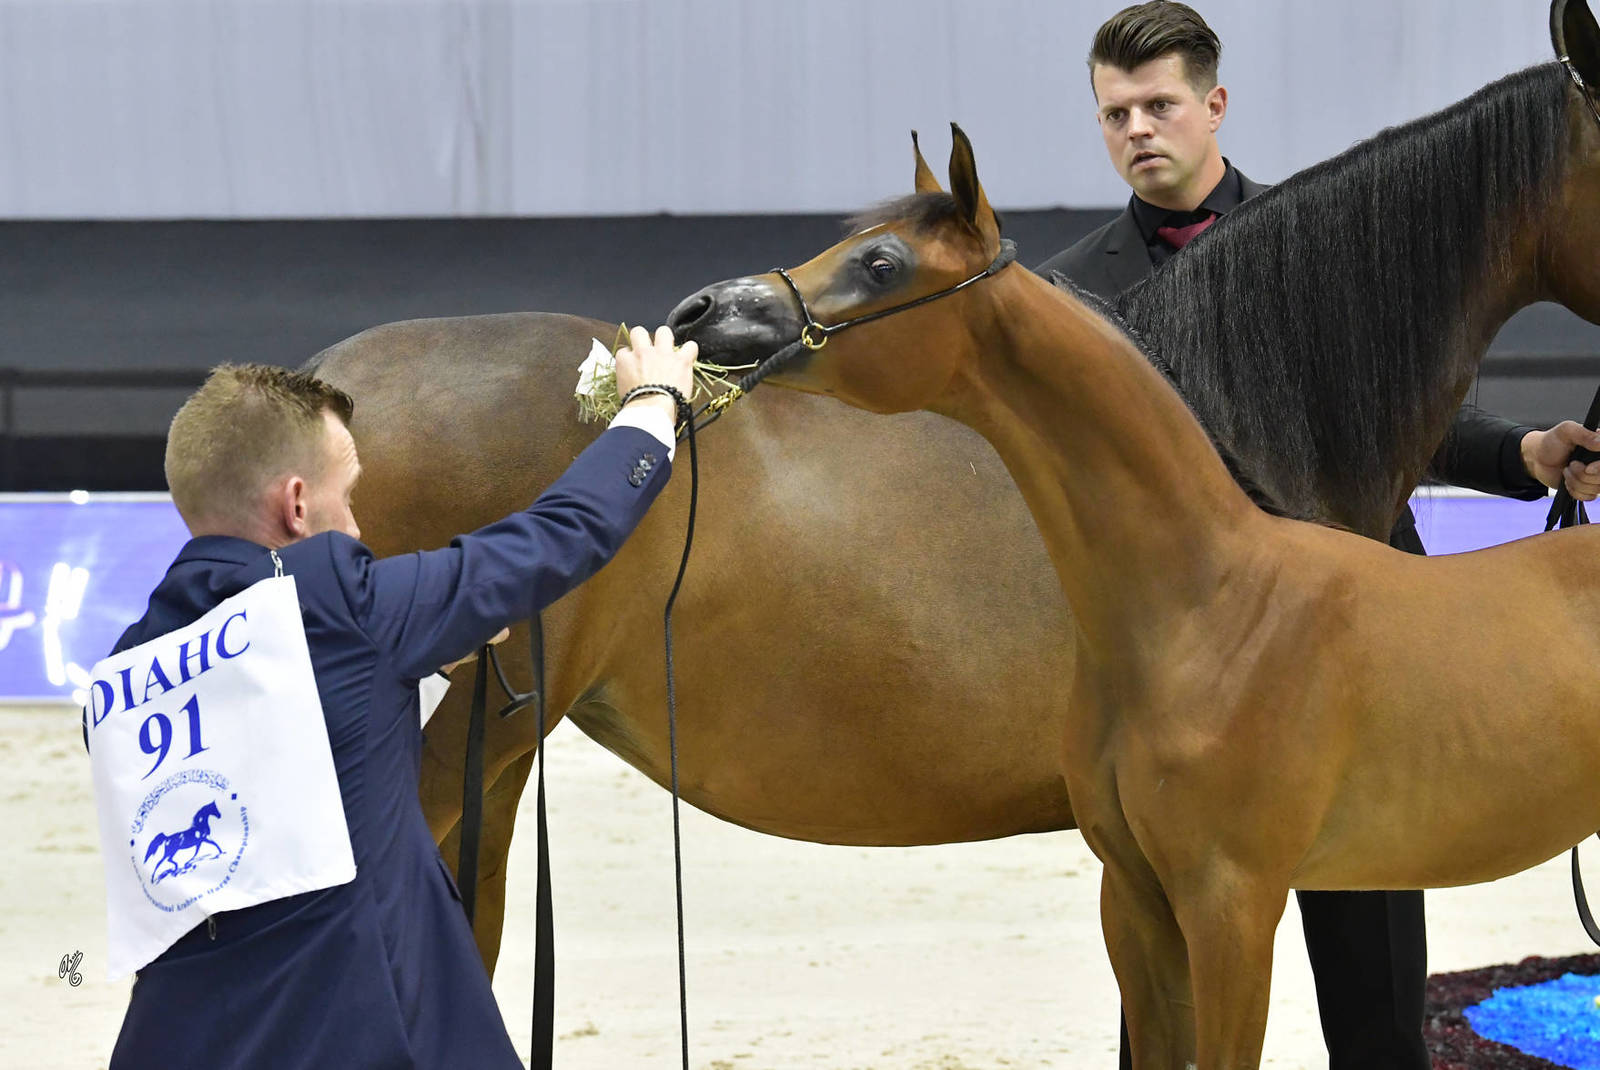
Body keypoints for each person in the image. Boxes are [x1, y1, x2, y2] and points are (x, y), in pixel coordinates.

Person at [1035, 4, 1600, 1068]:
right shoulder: (1074, 295)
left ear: (1214, 106)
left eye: (1159, 105)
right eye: (1116, 113)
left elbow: (1397, 403)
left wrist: (1516, 452)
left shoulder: (1330, 227)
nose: (1138, 129)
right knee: (1172, 999)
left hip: (1368, 664)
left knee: (1377, 1002)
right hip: (1196, 690)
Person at [88, 326, 696, 1069]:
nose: (359, 526)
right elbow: (554, 540)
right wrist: (652, 404)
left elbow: (296, 751)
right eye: (348, 497)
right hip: (366, 1036)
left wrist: (408, 661)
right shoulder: (338, 602)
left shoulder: (124, 671)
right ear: (298, 506)